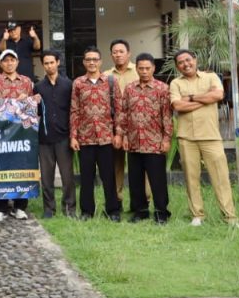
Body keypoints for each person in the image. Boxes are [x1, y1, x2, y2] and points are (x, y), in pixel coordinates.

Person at [170, 49, 239, 227]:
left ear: (195, 59)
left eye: (188, 60)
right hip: (186, 137)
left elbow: (218, 95)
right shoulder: (175, 83)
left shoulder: (211, 77)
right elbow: (178, 105)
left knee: (220, 177)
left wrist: (191, 98)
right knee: (191, 178)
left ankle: (230, 217)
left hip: (211, 136)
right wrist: (205, 100)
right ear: (177, 66)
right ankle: (197, 215)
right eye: (181, 62)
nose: (186, 64)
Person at [118, 53, 172, 223]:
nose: (144, 71)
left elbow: (167, 116)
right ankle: (140, 211)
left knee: (157, 180)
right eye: (141, 68)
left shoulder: (162, 89)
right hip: (134, 142)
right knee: (135, 180)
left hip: (154, 142)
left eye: (147, 68)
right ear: (137, 69)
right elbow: (123, 113)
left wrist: (166, 139)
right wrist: (124, 135)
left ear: (153, 68)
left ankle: (161, 212)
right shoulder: (130, 88)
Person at [69, 46, 121, 221]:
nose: (91, 62)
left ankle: (113, 210)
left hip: (106, 137)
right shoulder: (78, 83)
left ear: (100, 61)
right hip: (85, 138)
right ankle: (87, 212)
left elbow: (119, 110)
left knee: (109, 177)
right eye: (88, 59)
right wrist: (74, 136)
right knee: (86, 178)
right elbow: (74, 110)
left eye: (95, 59)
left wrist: (118, 134)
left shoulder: (111, 81)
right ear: (84, 62)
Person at [0, 49, 34, 221]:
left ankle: (20, 206)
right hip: (2, 132)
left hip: (22, 132)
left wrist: (26, 100)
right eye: (6, 60)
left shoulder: (26, 81)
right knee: (1, 167)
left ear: (17, 62)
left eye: (12, 60)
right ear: (1, 63)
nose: (9, 63)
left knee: (22, 166)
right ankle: (1, 207)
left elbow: (32, 107)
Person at [35, 50, 75, 218]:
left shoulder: (68, 85)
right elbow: (34, 112)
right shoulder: (38, 87)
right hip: (44, 138)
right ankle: (49, 209)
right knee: (46, 178)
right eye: (46, 63)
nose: (49, 66)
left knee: (67, 177)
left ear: (58, 62)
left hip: (64, 137)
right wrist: (32, 101)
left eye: (52, 62)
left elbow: (74, 110)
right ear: (43, 65)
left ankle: (69, 209)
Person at [105, 39, 138, 211]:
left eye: (121, 51)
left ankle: (139, 202)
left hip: (136, 127)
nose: (118, 54)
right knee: (115, 166)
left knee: (137, 167)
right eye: (115, 52)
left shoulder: (139, 72)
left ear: (129, 53)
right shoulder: (106, 76)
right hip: (115, 127)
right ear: (111, 55)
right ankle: (116, 202)